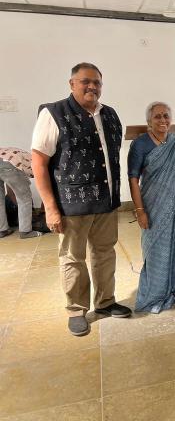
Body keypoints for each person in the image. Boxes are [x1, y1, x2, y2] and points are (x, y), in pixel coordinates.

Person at [31, 62, 131, 336]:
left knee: (105, 253)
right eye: (85, 81)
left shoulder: (109, 114)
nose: (92, 86)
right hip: (72, 205)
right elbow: (39, 162)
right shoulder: (54, 113)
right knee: (73, 258)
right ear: (72, 84)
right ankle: (76, 310)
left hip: (106, 202)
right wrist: (50, 208)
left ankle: (105, 302)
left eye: (97, 82)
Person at [128, 102, 175, 313]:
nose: (162, 120)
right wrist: (140, 211)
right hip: (153, 207)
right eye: (157, 116)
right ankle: (156, 293)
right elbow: (133, 179)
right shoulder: (140, 144)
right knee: (156, 250)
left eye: (166, 116)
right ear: (149, 120)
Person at [0, 147, 43, 238]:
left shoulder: (27, 159)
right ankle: (25, 231)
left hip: (4, 160)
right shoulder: (34, 163)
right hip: (9, 163)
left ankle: (2, 230)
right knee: (24, 198)